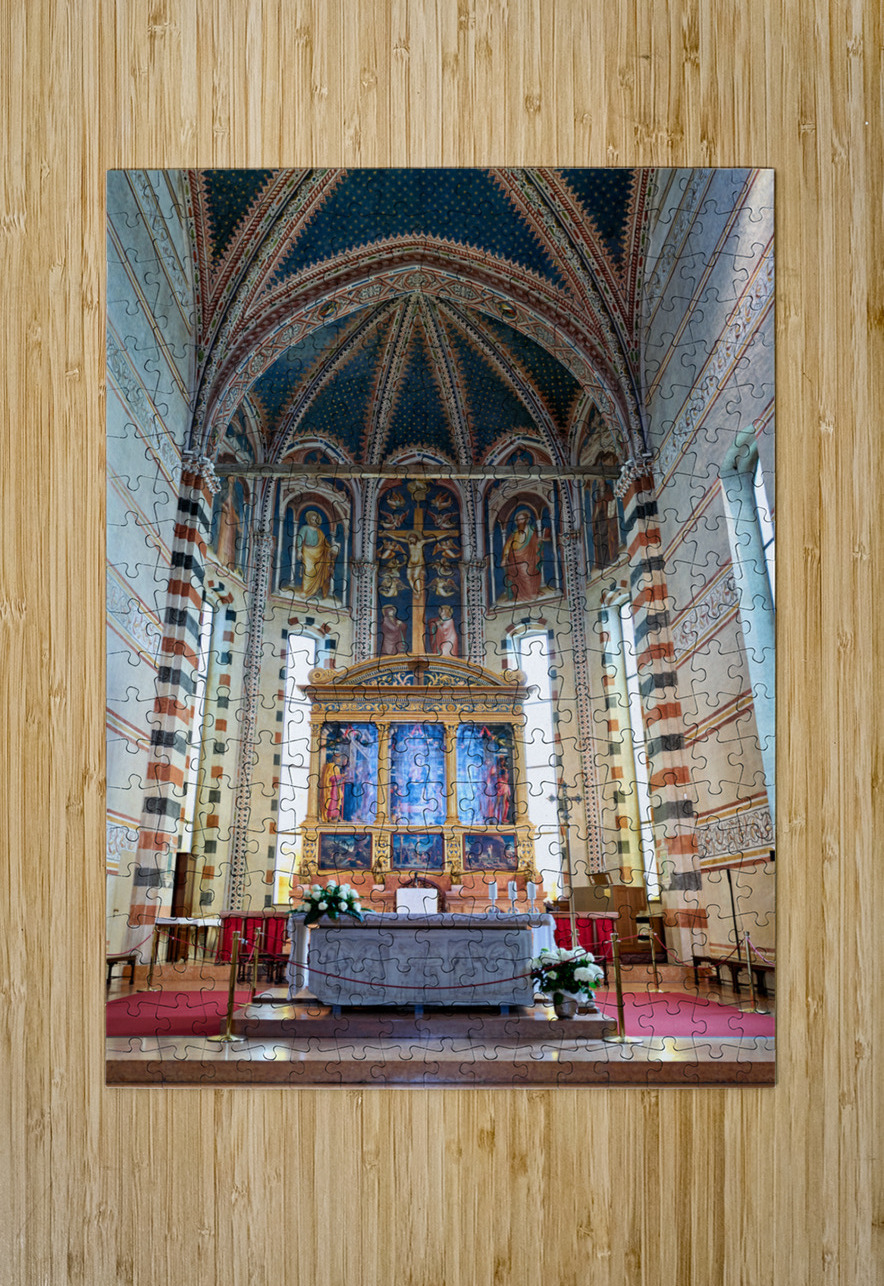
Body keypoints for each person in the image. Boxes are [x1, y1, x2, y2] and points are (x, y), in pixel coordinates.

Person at [501, 509, 543, 601]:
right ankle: (518, 595)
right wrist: (504, 558)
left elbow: (536, 544)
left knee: (525, 572)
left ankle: (530, 594)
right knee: (513, 571)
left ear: (526, 520)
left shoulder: (531, 530)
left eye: (522, 519)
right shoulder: (514, 533)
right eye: (518, 520)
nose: (520, 521)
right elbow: (507, 546)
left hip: (529, 558)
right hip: (514, 558)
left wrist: (539, 541)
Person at [296, 510, 339, 598]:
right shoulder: (305, 528)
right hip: (308, 552)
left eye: (316, 519)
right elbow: (300, 539)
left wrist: (332, 548)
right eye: (312, 519)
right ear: (309, 520)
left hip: (319, 553)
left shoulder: (320, 532)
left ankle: (314, 592)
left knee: (318, 572)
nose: (314, 521)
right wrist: (299, 551)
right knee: (308, 571)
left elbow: (325, 544)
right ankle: (305, 591)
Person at [319, 752, 347, 822]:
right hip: (331, 788)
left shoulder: (335, 767)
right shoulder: (332, 766)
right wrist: (341, 776)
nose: (339, 760)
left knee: (336, 802)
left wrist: (341, 778)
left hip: (335, 787)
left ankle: (336, 817)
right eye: (338, 759)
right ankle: (330, 817)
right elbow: (332, 778)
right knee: (332, 802)